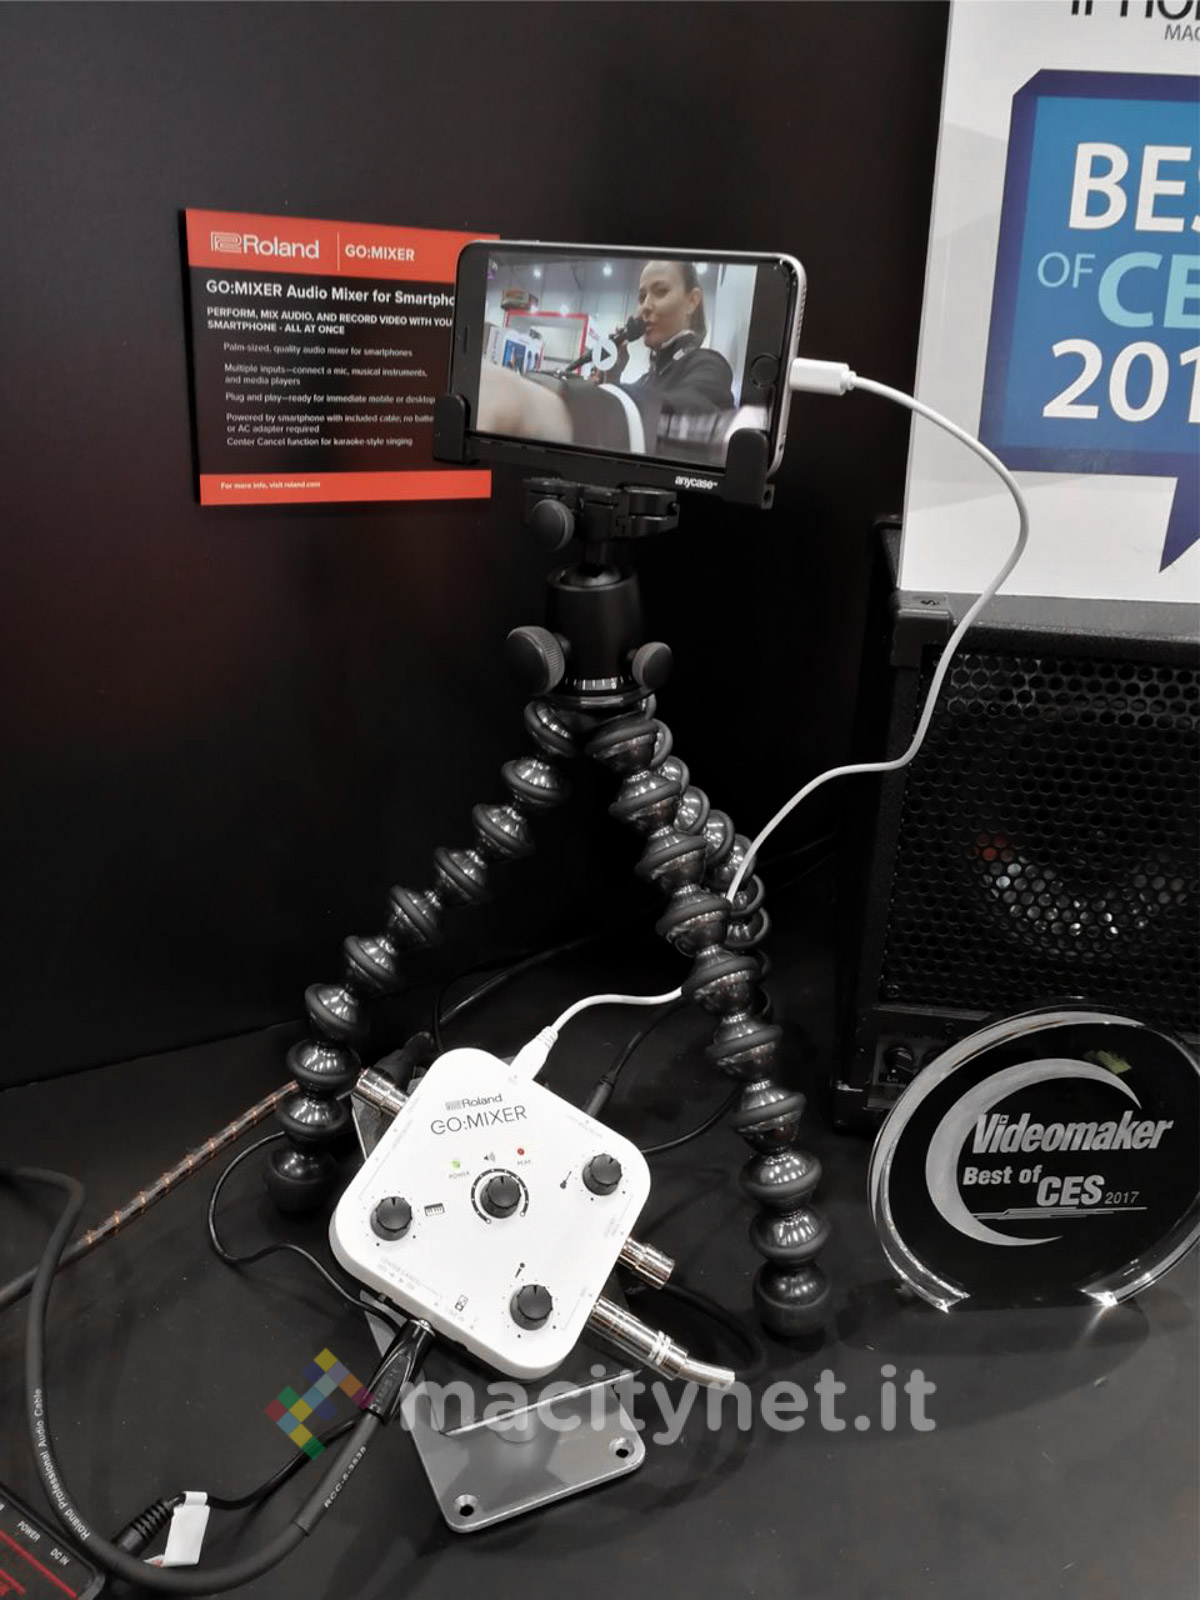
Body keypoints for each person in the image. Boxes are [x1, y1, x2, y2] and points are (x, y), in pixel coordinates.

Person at [475, 259, 738, 461]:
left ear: (692, 301)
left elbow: (695, 421)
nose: (645, 307)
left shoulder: (708, 364)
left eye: (660, 291)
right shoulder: (649, 376)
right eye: (642, 296)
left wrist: (552, 409)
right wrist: (613, 377)